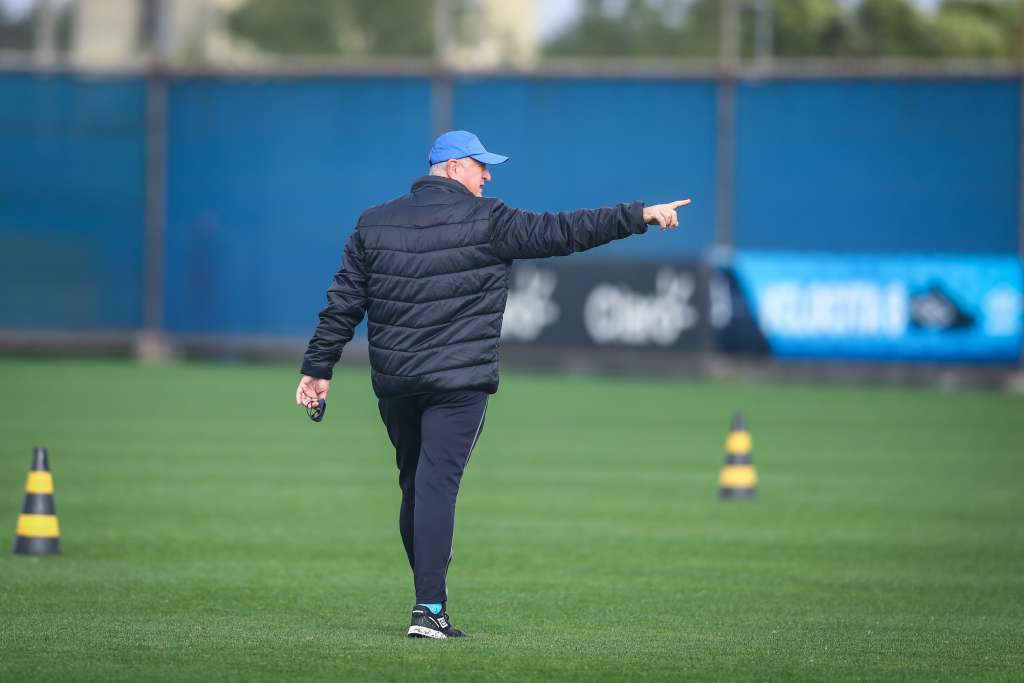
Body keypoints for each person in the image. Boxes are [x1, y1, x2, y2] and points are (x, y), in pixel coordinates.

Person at [296, 130, 689, 639]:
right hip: (460, 382)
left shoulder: (375, 222)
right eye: (481, 166)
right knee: (435, 486)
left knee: (417, 486)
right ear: (455, 167)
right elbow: (564, 232)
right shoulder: (488, 219)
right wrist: (637, 215)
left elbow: (344, 301)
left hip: (397, 382)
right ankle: (429, 609)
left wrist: (318, 367)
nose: (488, 175)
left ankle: (428, 599)